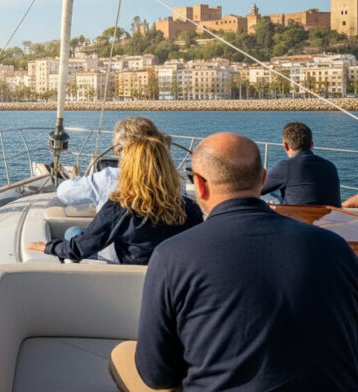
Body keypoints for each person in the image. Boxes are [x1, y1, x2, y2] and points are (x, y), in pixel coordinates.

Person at [113, 132, 358, 391]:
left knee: (122, 354)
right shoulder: (335, 248)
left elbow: (156, 375)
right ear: (263, 178)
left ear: (200, 185)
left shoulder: (172, 256)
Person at [27, 137, 202, 264]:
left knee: (72, 233)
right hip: (169, 278)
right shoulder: (190, 210)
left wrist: (48, 247)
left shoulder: (120, 208)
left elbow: (79, 249)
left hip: (123, 273)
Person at [56, 117, 170, 211]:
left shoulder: (108, 178)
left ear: (118, 149)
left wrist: (82, 182)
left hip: (115, 238)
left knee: (72, 231)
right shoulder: (174, 183)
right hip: (162, 238)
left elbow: (64, 193)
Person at [261, 121, 341, 207]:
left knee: (267, 195)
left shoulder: (286, 167)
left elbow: (260, 189)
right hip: (330, 218)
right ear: (312, 145)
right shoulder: (331, 166)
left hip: (296, 218)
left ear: (285, 145)